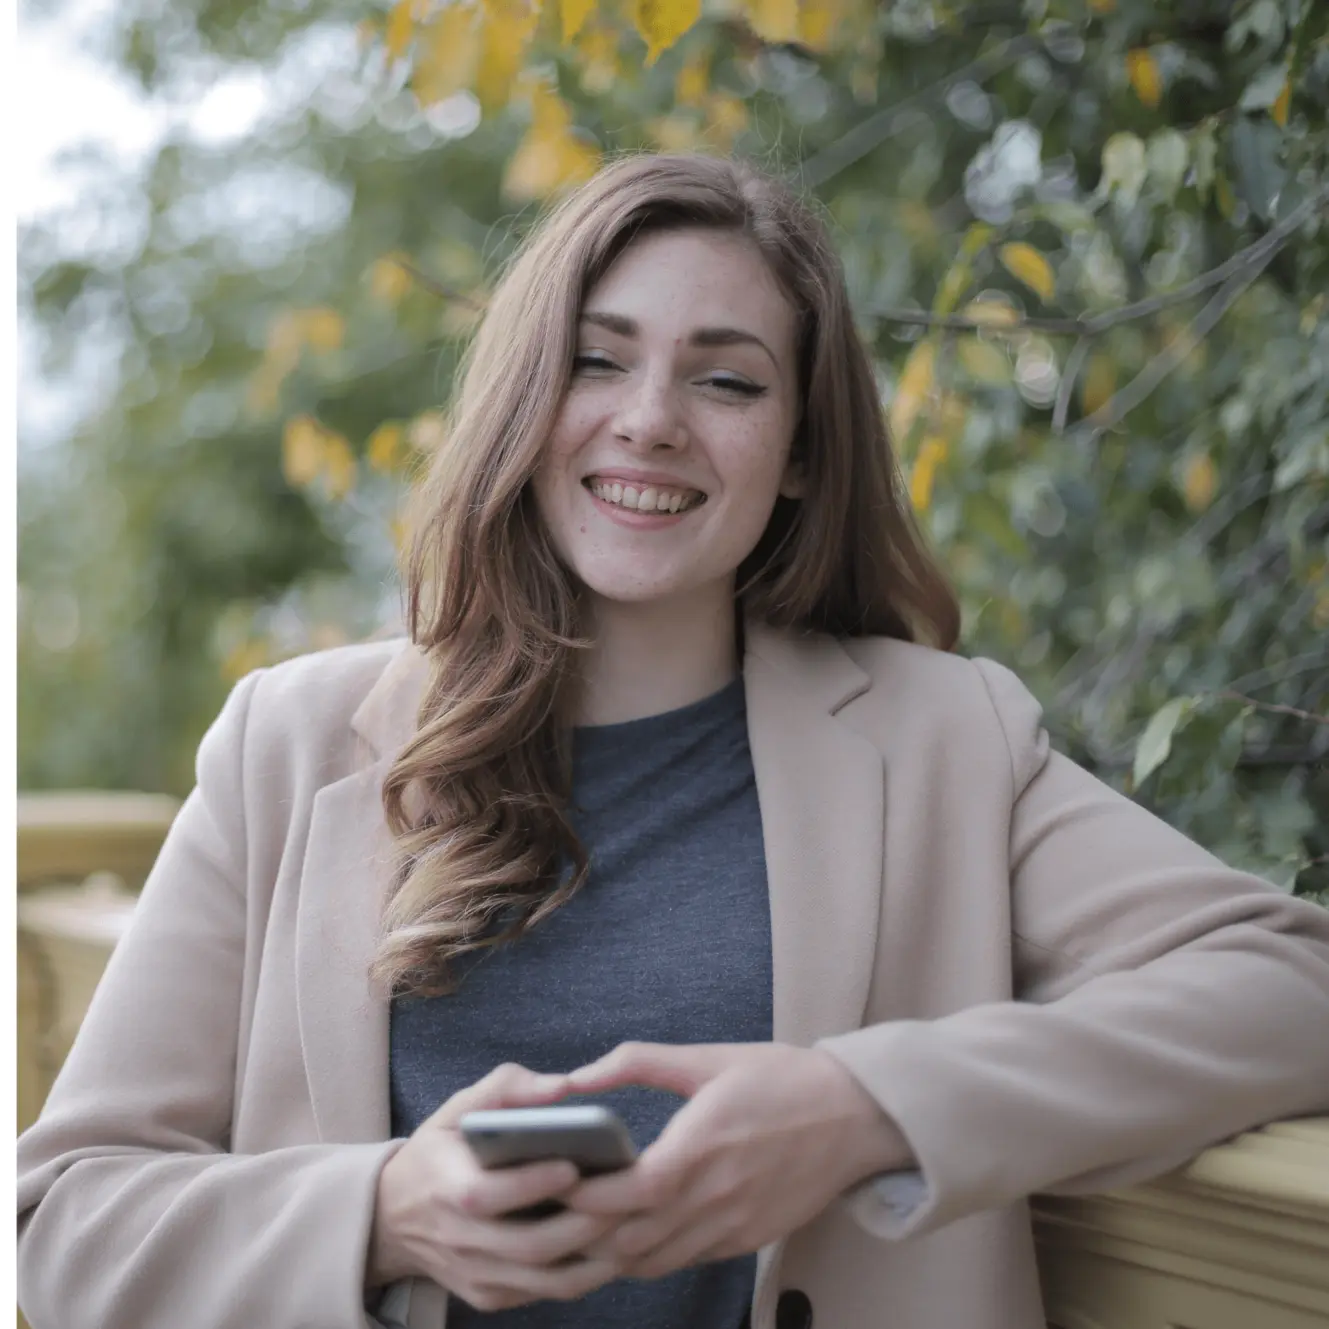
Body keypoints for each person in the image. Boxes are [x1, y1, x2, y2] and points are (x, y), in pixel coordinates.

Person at [15, 153, 1329, 1329]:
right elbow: (57, 1223)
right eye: (599, 358)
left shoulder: (945, 738)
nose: (651, 417)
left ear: (803, 452)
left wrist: (865, 1111)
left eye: (726, 377)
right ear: (529, 399)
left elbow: (1289, 984)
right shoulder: (286, 745)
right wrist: (385, 1211)